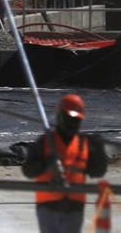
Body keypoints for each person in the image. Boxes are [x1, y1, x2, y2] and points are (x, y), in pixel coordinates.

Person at [22, 94, 107, 233]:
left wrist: (99, 151)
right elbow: (28, 171)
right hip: (48, 207)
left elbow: (97, 171)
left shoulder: (84, 144)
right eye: (69, 119)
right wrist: (46, 163)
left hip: (74, 208)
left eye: (76, 120)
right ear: (60, 116)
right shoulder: (45, 142)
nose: (73, 123)